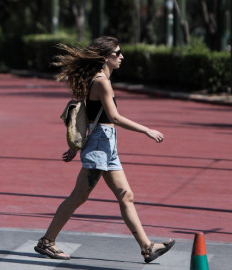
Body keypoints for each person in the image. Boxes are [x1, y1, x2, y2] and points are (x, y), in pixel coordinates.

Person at [34, 36, 175, 263]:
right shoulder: (101, 82)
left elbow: (89, 117)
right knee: (78, 196)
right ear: (104, 57)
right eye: (116, 53)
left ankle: (147, 247)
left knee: (126, 195)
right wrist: (146, 130)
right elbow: (114, 117)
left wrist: (77, 146)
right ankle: (47, 242)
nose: (121, 56)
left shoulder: (98, 80)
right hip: (101, 143)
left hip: (105, 144)